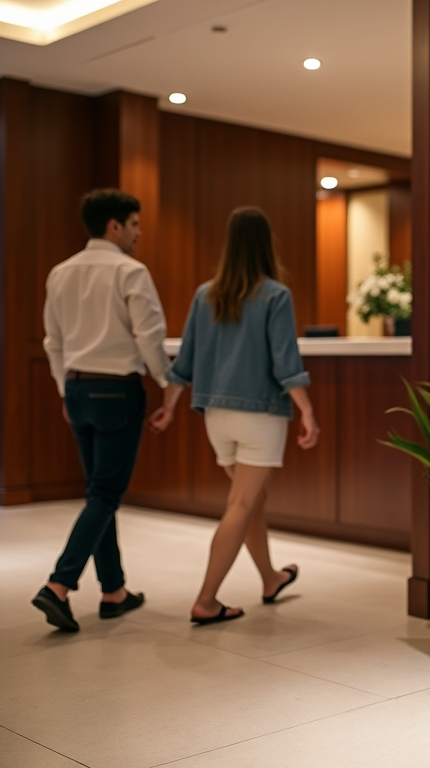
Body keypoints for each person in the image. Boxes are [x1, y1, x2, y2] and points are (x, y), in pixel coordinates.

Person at [149, 206, 319, 624]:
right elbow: (285, 362)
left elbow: (184, 362)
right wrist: (308, 412)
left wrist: (169, 407)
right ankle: (207, 600)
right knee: (242, 502)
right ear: (266, 244)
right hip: (259, 415)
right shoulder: (276, 294)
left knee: (252, 500)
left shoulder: (205, 293)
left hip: (215, 418)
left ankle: (270, 577)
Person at [34, 189, 171, 632]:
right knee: (106, 495)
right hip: (117, 391)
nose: (139, 232)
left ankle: (113, 590)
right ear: (114, 226)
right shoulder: (131, 272)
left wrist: (62, 391)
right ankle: (59, 584)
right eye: (134, 224)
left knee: (99, 491)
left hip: (75, 389)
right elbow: (150, 336)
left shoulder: (60, 272)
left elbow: (52, 341)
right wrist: (170, 385)